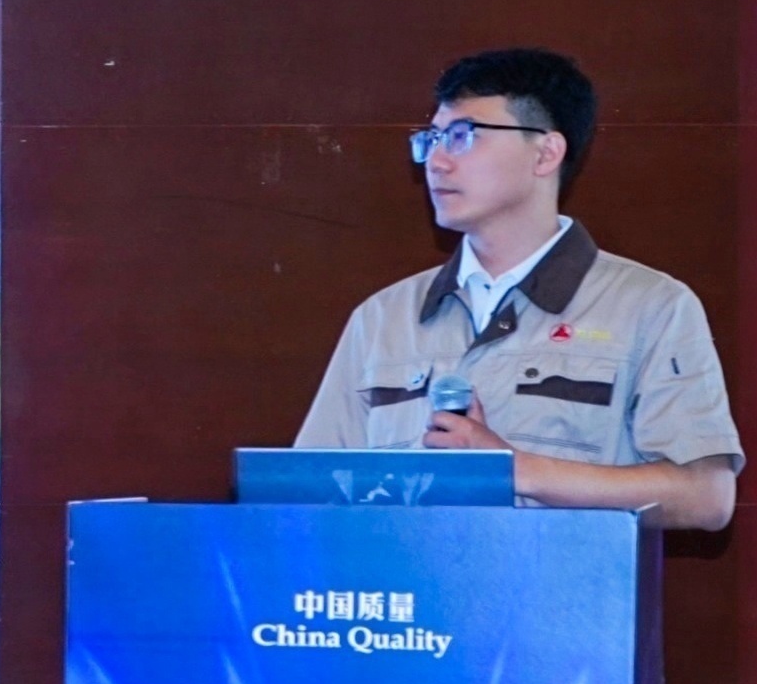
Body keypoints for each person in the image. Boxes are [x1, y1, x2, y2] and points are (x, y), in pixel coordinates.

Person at [295, 47, 735, 531]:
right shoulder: (382, 317)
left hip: (561, 581)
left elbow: (705, 497)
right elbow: (305, 494)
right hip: (405, 580)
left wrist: (514, 470)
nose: (436, 162)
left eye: (462, 136)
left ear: (545, 153)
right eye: (432, 139)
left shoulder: (650, 305)